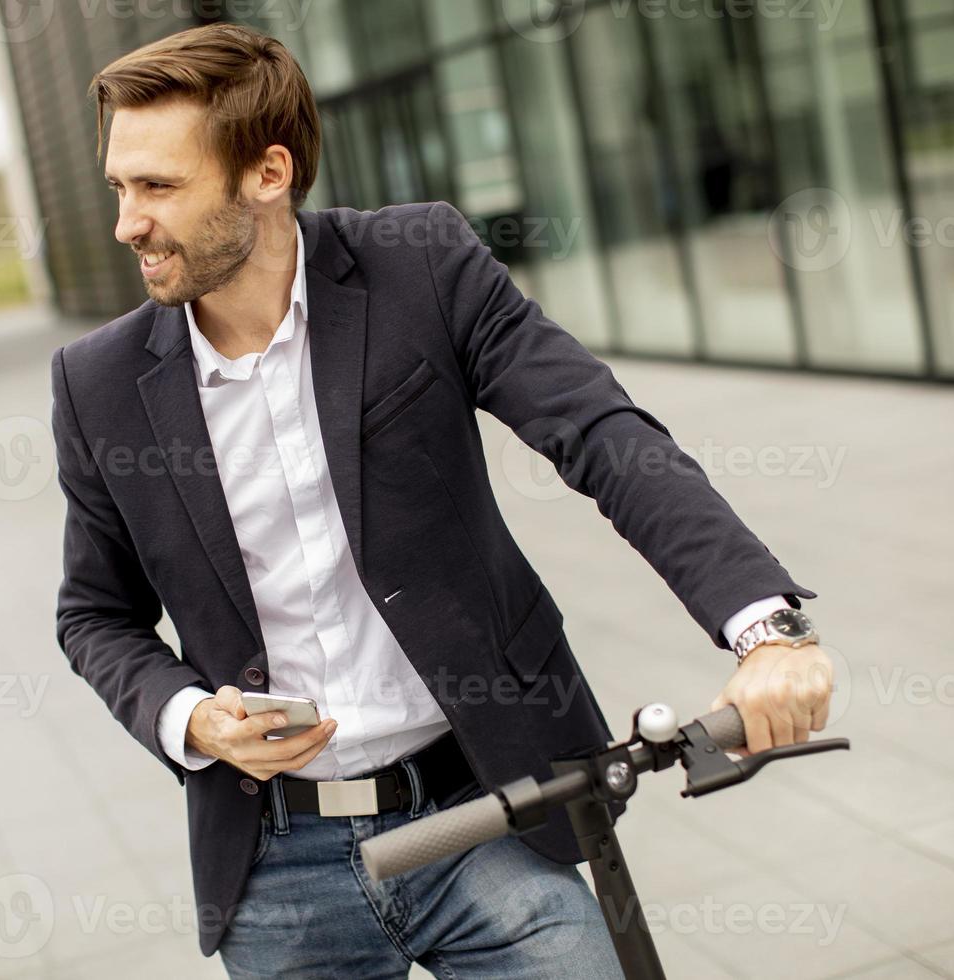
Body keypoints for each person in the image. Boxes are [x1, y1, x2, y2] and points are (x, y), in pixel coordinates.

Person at [51, 22, 833, 979]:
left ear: (268, 173)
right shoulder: (96, 384)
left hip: (487, 811)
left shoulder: (419, 263)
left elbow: (601, 434)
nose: (128, 221)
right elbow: (95, 614)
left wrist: (767, 629)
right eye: (119, 188)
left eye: (159, 187)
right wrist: (188, 719)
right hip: (277, 864)